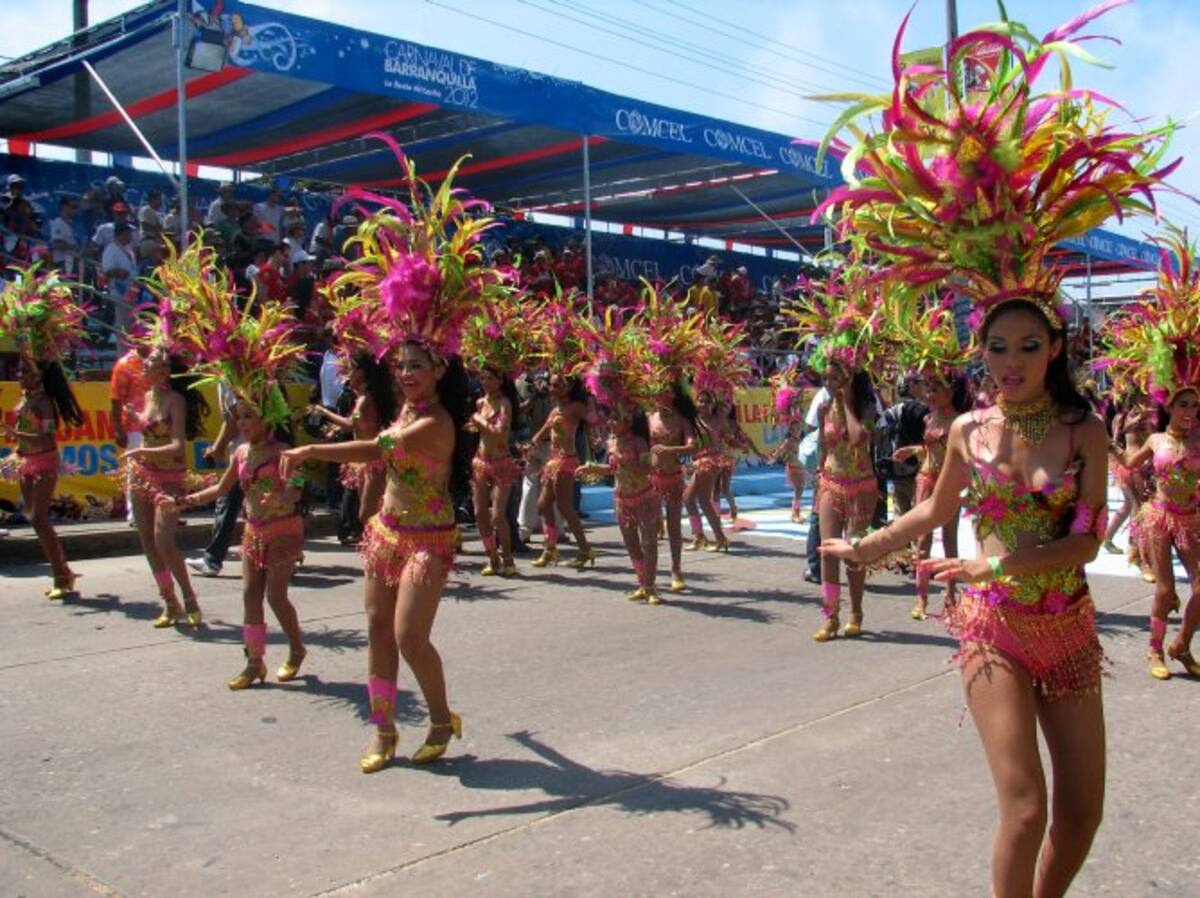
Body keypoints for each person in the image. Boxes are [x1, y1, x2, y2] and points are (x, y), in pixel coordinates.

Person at [818, 8, 1171, 894]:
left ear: (1055, 349)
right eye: (994, 349)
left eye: (1025, 347)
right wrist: (867, 548)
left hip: (1070, 630)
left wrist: (999, 564)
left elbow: (1089, 543)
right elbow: (935, 515)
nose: (1006, 364)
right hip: (994, 633)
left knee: (1083, 815)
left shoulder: (1084, 431)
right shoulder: (971, 434)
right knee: (1025, 808)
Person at [282, 140, 497, 771]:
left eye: (416, 365)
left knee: (409, 635)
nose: (405, 373)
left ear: (439, 369)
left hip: (430, 539)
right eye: (399, 365)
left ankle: (439, 718)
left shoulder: (431, 420)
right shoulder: (403, 406)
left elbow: (376, 450)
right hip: (386, 534)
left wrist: (312, 448)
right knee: (377, 632)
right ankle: (383, 732)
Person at [167, 298, 309, 690]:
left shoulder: (283, 453)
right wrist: (186, 500)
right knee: (249, 595)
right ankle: (255, 662)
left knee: (277, 597)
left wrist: (284, 500)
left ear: (269, 416)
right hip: (253, 532)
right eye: (239, 417)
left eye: (250, 416)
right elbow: (222, 488)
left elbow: (297, 489)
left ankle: (297, 649)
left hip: (283, 531)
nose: (244, 424)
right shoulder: (242, 452)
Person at [121, 345, 207, 629]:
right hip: (142, 474)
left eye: (152, 361)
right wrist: (135, 419)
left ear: (165, 370)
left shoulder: (176, 401)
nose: (144, 364)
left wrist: (144, 453)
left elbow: (177, 446)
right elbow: (150, 432)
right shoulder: (146, 397)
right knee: (146, 539)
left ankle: (190, 597)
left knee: (163, 540)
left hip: (169, 477)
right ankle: (170, 601)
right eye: (146, 361)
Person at [1, 350, 85, 599]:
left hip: (44, 461)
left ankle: (62, 574)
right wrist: (17, 440)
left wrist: (16, 434)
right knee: (32, 516)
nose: (19, 375)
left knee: (39, 517)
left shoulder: (44, 403)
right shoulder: (25, 399)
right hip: (25, 462)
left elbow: (47, 437)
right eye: (19, 371)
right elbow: (24, 430)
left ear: (38, 377)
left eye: (25, 371)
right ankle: (63, 571)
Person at [579, 406, 661, 602]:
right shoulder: (612, 442)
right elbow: (611, 469)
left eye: (615, 419)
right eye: (610, 419)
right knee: (631, 544)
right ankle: (642, 584)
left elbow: (647, 468)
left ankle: (651, 587)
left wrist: (630, 463)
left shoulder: (639, 442)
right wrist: (590, 468)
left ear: (628, 421)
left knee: (648, 543)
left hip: (645, 497)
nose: (610, 422)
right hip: (622, 499)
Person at [308, 353, 396, 529]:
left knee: (368, 514)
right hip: (368, 458)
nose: (348, 373)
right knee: (370, 512)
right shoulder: (369, 396)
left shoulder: (364, 399)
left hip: (371, 460)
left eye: (352, 368)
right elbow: (358, 424)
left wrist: (324, 412)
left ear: (362, 373)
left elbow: (350, 424)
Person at [527, 373, 594, 569]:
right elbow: (542, 433)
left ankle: (584, 550)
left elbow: (595, 419)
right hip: (552, 462)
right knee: (542, 505)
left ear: (569, 388)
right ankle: (550, 548)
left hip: (566, 461)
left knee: (565, 507)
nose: (551, 388)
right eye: (551, 385)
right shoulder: (556, 409)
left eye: (557, 385)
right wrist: (529, 445)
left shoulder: (576, 408)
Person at [466, 367, 522, 576]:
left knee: (498, 516)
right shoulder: (481, 403)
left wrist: (478, 420)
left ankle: (508, 558)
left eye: (490, 378)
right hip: (481, 462)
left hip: (502, 463)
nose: (485, 382)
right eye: (482, 377)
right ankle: (492, 557)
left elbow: (499, 432)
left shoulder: (504, 403)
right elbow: (478, 430)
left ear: (500, 380)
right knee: (480, 513)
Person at [110, 341, 149, 524]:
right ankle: (135, 514)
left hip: (159, 425)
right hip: (134, 427)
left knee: (163, 469)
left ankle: (164, 512)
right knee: (136, 470)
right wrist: (118, 428)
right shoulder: (125, 364)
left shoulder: (160, 360)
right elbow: (116, 398)